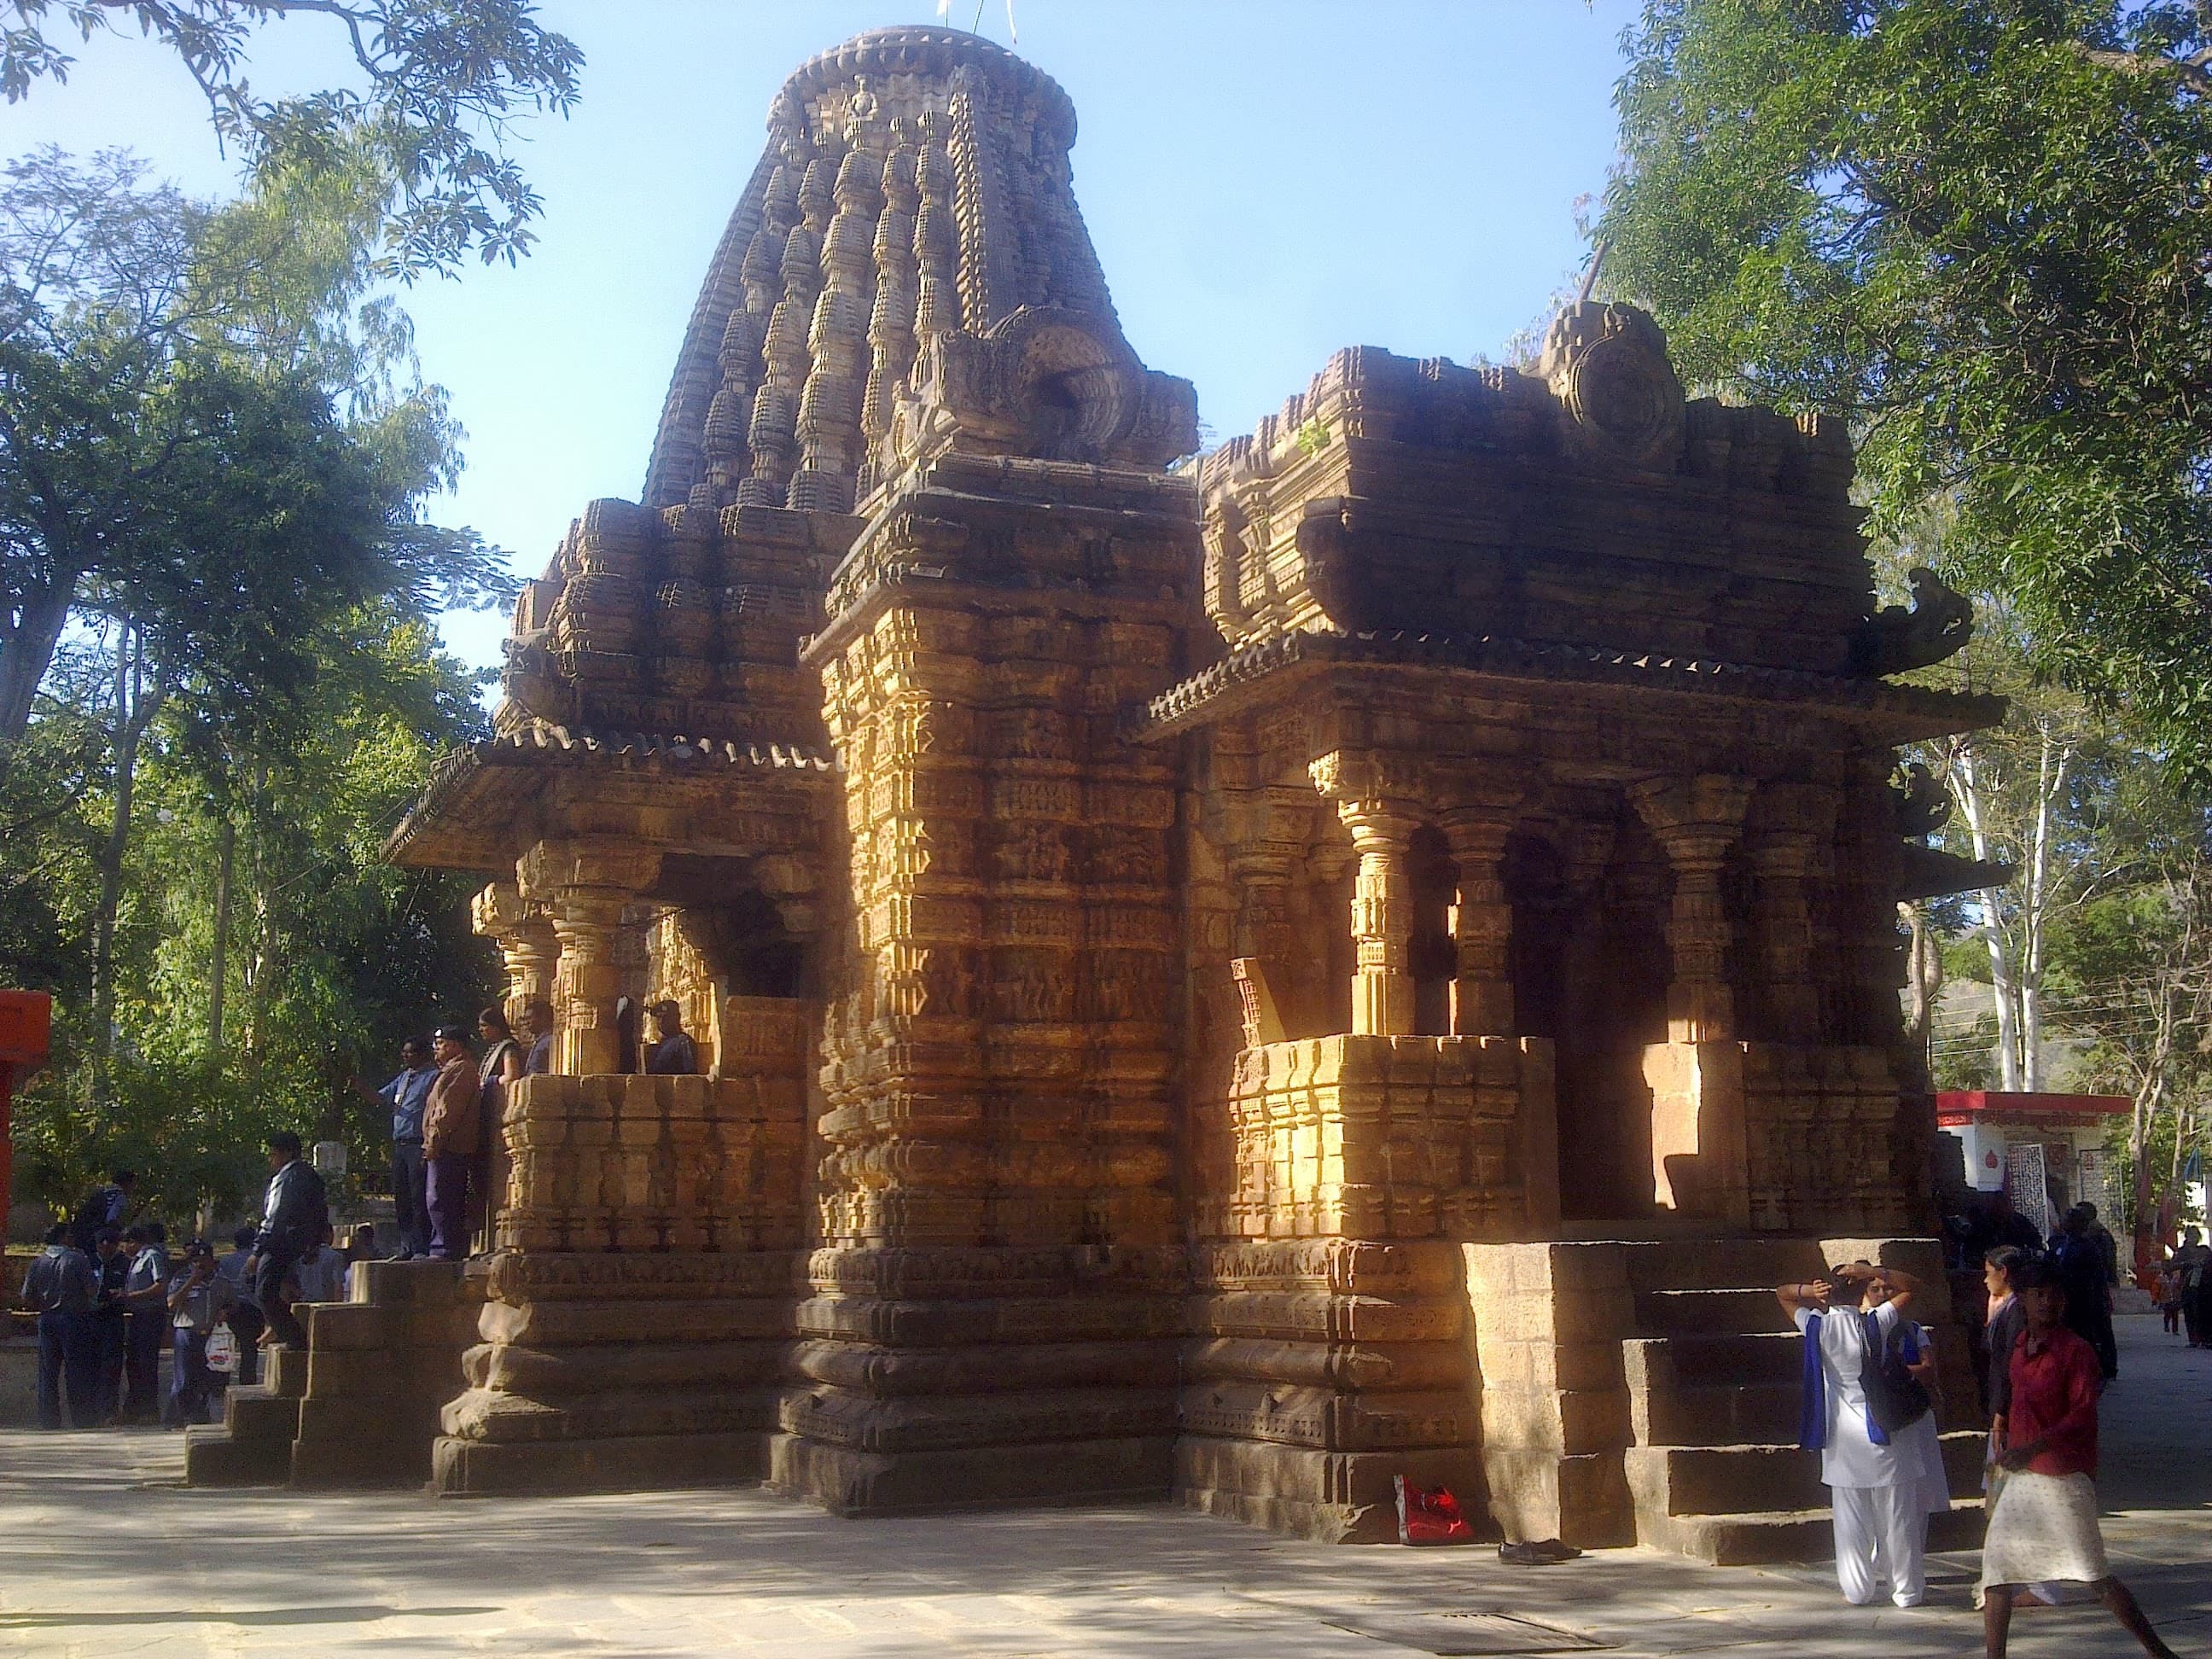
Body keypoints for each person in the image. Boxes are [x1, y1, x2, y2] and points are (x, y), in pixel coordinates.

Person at [1978, 1260, 2178, 1657]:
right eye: (2039, 1295)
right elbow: (2017, 1397)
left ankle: (2159, 1651)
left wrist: (2034, 1447)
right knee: (1997, 1571)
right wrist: (2004, 1430)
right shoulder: (2020, 1346)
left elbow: (2082, 1414)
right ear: (2025, 1301)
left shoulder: (2076, 1351)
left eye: (2055, 1295)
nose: (2048, 1303)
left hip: (2063, 1477)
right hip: (2022, 1477)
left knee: (2092, 1574)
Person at [1777, 1259, 1945, 1609]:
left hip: (1842, 1441)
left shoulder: (1816, 1327)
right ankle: (1907, 1591)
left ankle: (1857, 1589)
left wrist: (1809, 1291)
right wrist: (1875, 1272)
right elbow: (1912, 1285)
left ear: (1828, 1296)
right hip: (1885, 1433)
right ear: (1860, 1294)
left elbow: (1782, 1296)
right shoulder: (1876, 1323)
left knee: (1850, 1522)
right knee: (1898, 1519)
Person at [247, 1131, 328, 1352]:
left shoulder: (286, 1177)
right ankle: (288, 1332)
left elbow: (275, 1216)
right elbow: (321, 1213)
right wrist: (314, 1244)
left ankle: (295, 1339)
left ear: (287, 1153)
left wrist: (258, 1249)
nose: (271, 1160)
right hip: (299, 1242)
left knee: (263, 1291)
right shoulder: (311, 1176)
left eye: (274, 1154)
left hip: (280, 1242)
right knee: (271, 1288)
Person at [359, 1036, 436, 1259]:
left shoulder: (432, 1078)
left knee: (417, 1196)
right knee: (402, 1198)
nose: (405, 1056)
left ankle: (422, 1247)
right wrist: (362, 1088)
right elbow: (380, 1098)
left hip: (417, 1143)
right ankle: (406, 1246)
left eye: (409, 1052)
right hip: (400, 1143)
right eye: (404, 1052)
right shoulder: (404, 1078)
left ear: (422, 1054)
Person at [17, 1224, 97, 1429]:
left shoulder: (38, 1263)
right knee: (76, 1370)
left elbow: (26, 1297)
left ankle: (48, 1420)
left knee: (48, 1372)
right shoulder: (77, 1259)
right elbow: (91, 1289)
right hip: (73, 1319)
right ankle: (82, 1418)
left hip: (47, 1319)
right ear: (63, 1238)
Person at [422, 1023, 481, 1260]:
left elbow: (448, 1111)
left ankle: (445, 1248)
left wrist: (434, 1141)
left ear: (455, 1046)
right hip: (443, 1146)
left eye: (440, 1044)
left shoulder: (463, 1070)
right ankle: (442, 1245)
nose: (436, 1049)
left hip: (450, 1147)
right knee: (437, 1197)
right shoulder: (450, 1070)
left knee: (441, 1197)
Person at [165, 1239, 236, 1427]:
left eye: (204, 1261)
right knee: (184, 1378)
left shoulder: (221, 1281)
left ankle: (199, 1417)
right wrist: (191, 1281)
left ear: (213, 1261)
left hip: (211, 1335)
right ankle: (175, 1418)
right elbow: (171, 1304)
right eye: (195, 1261)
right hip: (187, 1331)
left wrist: (225, 1312)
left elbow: (232, 1302)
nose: (200, 1265)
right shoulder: (181, 1278)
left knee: (207, 1378)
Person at [2051, 1205, 2118, 1381]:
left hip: (2085, 1298)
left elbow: (2097, 1273)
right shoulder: (2061, 1243)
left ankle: (2102, 1368)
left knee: (2092, 1334)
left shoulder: (2089, 1246)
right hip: (2068, 1297)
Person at [118, 1222, 172, 1424]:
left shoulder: (152, 1257)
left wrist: (132, 1296)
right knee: (134, 1363)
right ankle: (133, 1408)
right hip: (137, 1315)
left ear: (133, 1242)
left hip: (151, 1314)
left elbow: (161, 1285)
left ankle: (149, 1409)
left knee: (146, 1363)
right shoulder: (135, 1260)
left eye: (125, 1243)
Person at [89, 1227, 130, 1422]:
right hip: (89, 1319)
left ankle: (109, 1411)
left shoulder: (124, 1263)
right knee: (90, 1365)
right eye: (101, 1243)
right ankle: (91, 1412)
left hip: (112, 1319)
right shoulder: (88, 1261)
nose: (105, 1246)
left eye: (110, 1243)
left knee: (111, 1366)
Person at [216, 1224, 264, 1385]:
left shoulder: (225, 1261)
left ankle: (221, 1382)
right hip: (253, 1307)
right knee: (250, 1349)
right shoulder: (258, 1261)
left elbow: (220, 1283)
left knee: (226, 1346)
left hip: (231, 1308)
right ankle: (247, 1382)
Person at [69, 1167, 137, 1250]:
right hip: (99, 1238)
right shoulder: (120, 1197)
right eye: (133, 1184)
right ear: (126, 1183)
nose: (134, 1187)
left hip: (84, 1234)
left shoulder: (102, 1192)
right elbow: (111, 1219)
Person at [291, 1221, 351, 1305]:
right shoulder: (335, 1257)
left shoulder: (300, 1257)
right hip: (324, 1307)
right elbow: (338, 1287)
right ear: (328, 1234)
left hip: (303, 1305)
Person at [2174, 1225, 2212, 1348]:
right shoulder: (2182, 1252)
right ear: (2187, 1236)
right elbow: (2171, 1266)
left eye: (2196, 1235)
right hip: (2188, 1286)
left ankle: (2206, 1338)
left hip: (2205, 1286)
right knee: (2190, 1312)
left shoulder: (2204, 1250)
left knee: (2205, 1312)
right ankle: (2194, 1339)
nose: (2193, 1238)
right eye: (2191, 1235)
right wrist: (2187, 1263)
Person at [643, 1000, 698, 1075]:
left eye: (666, 1017)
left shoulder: (683, 1042)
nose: (662, 1021)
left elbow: (690, 1075)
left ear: (677, 1017)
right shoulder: (661, 1044)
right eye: (659, 1017)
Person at [1986, 1190, 2044, 1255]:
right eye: (2001, 1204)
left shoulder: (2019, 1220)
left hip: (2016, 1258)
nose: (2005, 1208)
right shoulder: (1985, 1223)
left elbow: (2035, 1239)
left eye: (2007, 1204)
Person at [522, 998, 556, 1076]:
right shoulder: (539, 1042)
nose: (527, 1022)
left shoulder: (550, 1042)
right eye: (525, 1019)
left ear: (543, 1018)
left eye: (530, 1018)